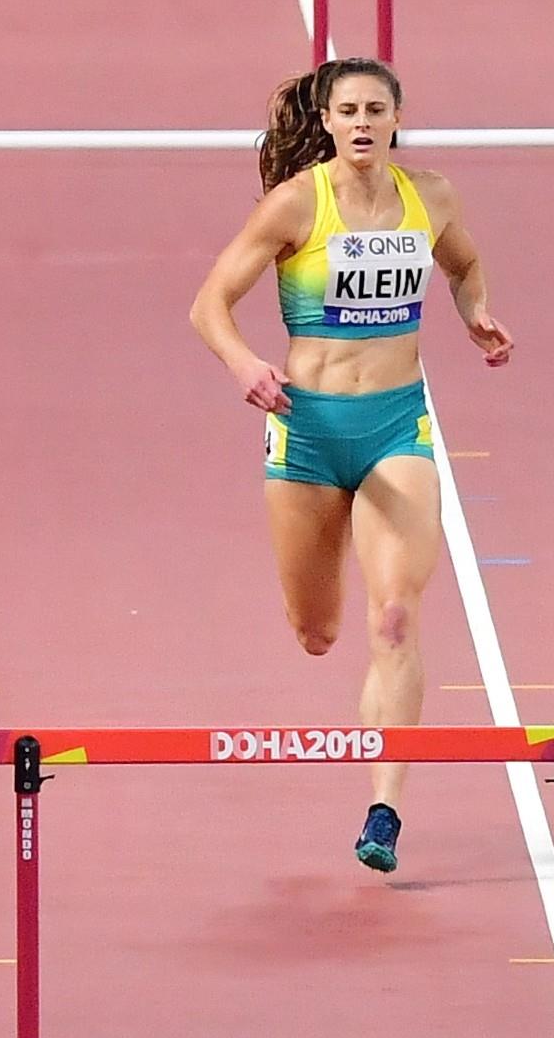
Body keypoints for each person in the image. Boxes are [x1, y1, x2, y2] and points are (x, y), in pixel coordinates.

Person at [188, 60, 513, 872]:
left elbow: (465, 262)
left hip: (396, 427)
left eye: (376, 108)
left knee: (395, 617)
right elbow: (208, 305)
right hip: (307, 430)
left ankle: (384, 810)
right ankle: (330, 550)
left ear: (398, 117)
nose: (363, 122)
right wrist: (242, 366)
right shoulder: (298, 202)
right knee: (317, 631)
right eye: (348, 111)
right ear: (327, 123)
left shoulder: (430, 197)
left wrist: (475, 311)